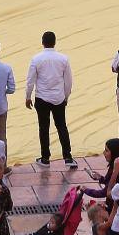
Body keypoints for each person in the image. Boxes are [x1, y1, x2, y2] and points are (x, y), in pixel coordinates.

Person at [25, 31, 76, 168]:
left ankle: (45, 158)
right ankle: (68, 157)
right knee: (61, 127)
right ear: (55, 42)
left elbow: (30, 81)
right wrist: (66, 97)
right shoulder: (63, 59)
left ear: (42, 42)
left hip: (41, 98)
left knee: (43, 127)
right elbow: (68, 82)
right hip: (59, 98)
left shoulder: (36, 59)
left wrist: (28, 97)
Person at [83, 138, 119, 212]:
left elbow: (106, 192)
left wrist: (86, 190)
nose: (104, 153)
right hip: (114, 206)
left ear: (114, 153)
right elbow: (110, 183)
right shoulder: (115, 165)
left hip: (117, 210)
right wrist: (101, 178)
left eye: (106, 150)